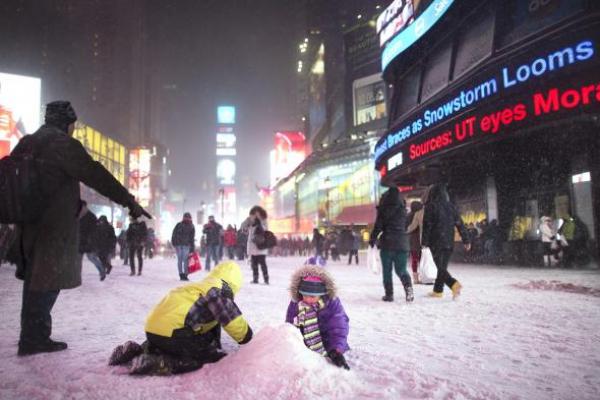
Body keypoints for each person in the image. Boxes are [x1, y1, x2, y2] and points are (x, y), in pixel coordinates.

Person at [8, 101, 149, 356]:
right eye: (72, 123)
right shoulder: (62, 145)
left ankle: (32, 335)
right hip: (52, 226)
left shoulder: (27, 142)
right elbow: (95, 174)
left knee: (34, 279)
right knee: (47, 279)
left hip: (27, 224)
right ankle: (34, 338)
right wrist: (127, 199)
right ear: (67, 123)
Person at [108, 261, 253, 375]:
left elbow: (213, 322)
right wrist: (248, 338)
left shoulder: (199, 287)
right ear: (234, 284)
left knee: (168, 344)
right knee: (203, 356)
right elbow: (231, 321)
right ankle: (156, 363)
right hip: (173, 333)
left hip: (154, 330)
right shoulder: (218, 292)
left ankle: (138, 349)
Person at [285, 265, 350, 370]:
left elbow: (338, 327)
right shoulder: (296, 303)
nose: (308, 300)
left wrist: (336, 350)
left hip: (329, 344)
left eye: (312, 296)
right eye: (304, 295)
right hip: (305, 346)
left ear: (322, 293)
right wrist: (296, 333)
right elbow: (289, 325)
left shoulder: (332, 304)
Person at [421, 183, 470, 299]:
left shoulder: (431, 206)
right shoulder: (451, 207)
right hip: (448, 242)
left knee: (440, 268)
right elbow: (460, 224)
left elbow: (427, 225)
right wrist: (466, 240)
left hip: (436, 242)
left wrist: (424, 242)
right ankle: (438, 291)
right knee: (442, 267)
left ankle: (454, 284)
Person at [369, 187, 413, 303]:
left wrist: (372, 239)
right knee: (401, 270)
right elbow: (406, 226)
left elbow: (378, 227)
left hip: (387, 244)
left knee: (387, 271)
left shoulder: (384, 210)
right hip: (402, 244)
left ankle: (389, 295)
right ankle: (408, 289)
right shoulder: (404, 211)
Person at [77, 201, 105, 281]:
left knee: (92, 258)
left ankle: (102, 271)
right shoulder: (78, 215)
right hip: (81, 241)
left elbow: (95, 231)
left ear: (85, 207)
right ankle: (77, 276)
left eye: (82, 207)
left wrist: (91, 241)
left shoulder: (91, 217)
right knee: (78, 259)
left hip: (89, 242)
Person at [246, 205, 269, 284]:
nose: (255, 215)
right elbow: (249, 235)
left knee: (263, 264)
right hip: (253, 247)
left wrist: (259, 224)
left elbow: (265, 231)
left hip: (261, 247)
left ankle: (266, 279)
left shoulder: (263, 221)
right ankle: (255, 279)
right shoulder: (251, 223)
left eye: (257, 213)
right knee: (254, 264)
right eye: (254, 214)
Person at [171, 212, 195, 281]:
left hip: (183, 245)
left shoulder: (181, 225)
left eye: (187, 217)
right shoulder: (189, 226)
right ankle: (183, 274)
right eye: (186, 217)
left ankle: (183, 274)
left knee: (182, 260)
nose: (187, 218)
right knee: (183, 260)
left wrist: (174, 243)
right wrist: (174, 243)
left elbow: (192, 238)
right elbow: (174, 234)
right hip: (182, 245)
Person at [406, 200, 424, 283]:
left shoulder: (408, 215)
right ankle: (422, 276)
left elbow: (406, 227)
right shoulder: (420, 215)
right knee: (422, 259)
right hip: (420, 239)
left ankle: (415, 278)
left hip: (411, 240)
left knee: (414, 259)